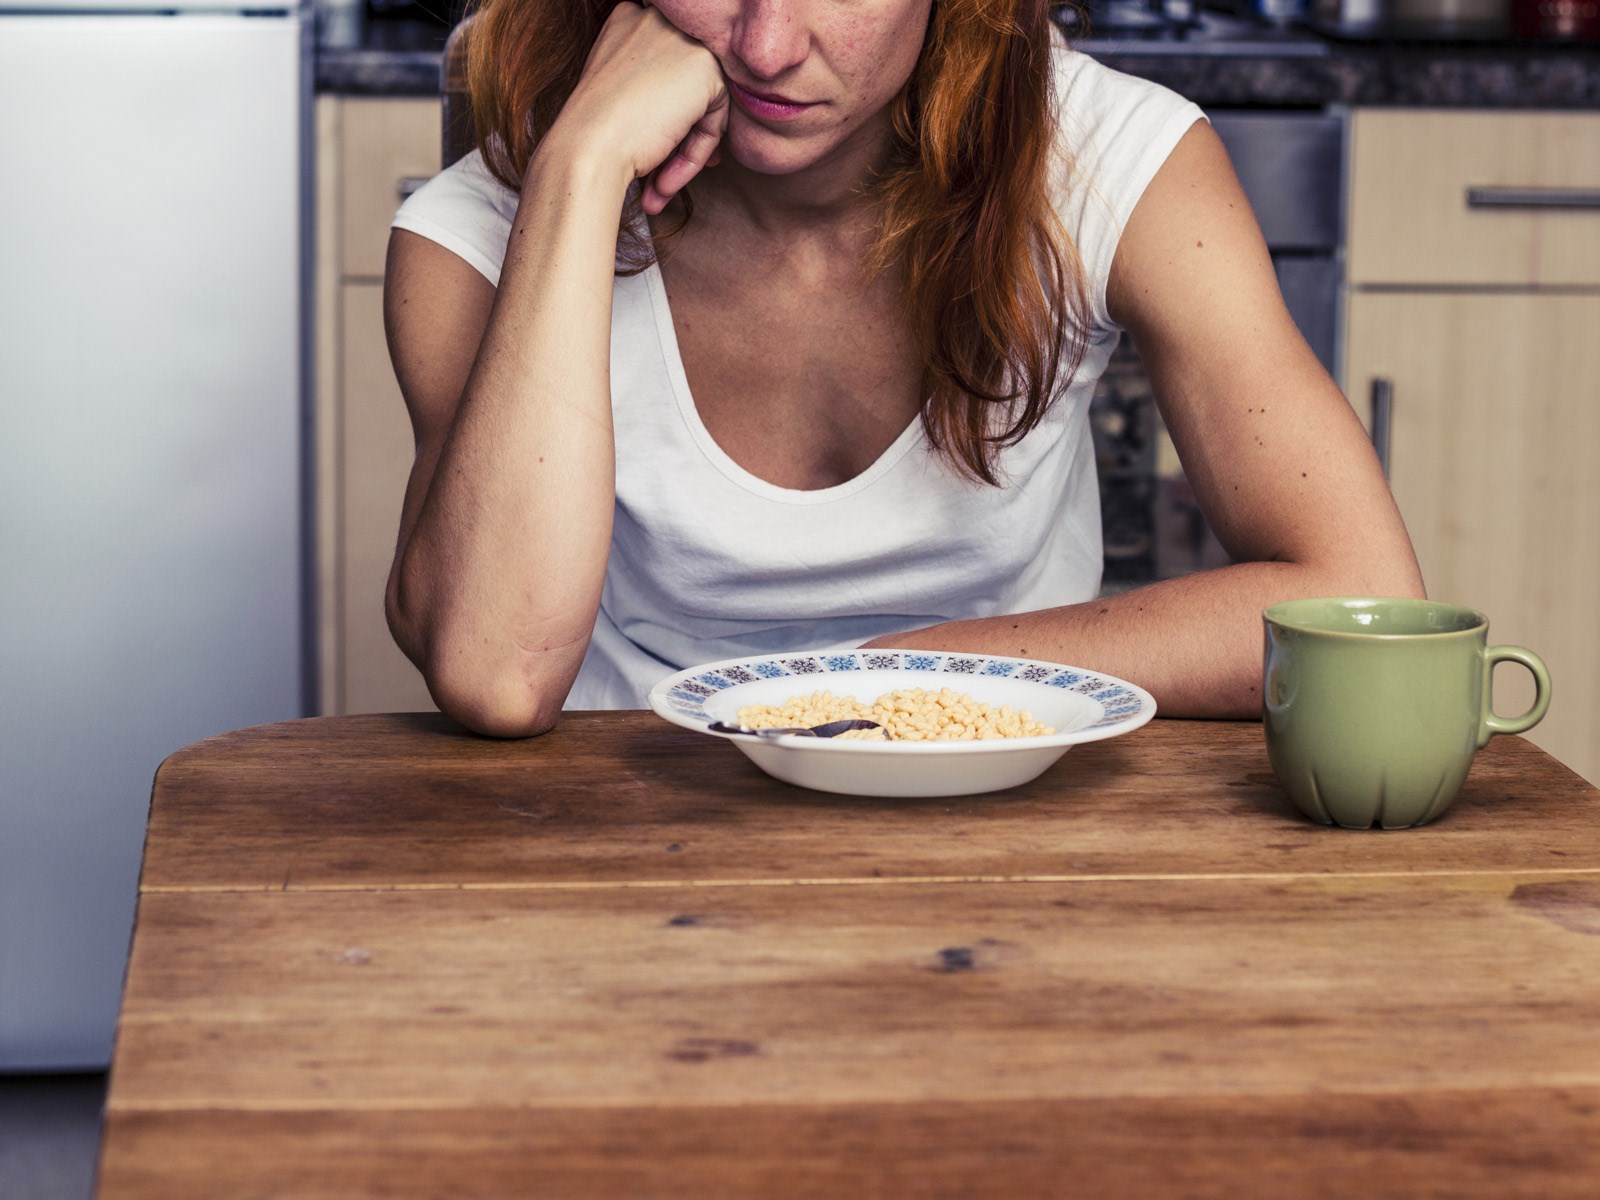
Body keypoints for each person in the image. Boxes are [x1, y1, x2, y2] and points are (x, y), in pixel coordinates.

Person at [383, 0, 1423, 738]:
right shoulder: (472, 235)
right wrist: (578, 168)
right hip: (622, 809)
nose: (768, 44)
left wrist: (881, 683)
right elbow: (497, 678)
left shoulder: (1105, 156)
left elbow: (1358, 594)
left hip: (999, 778)